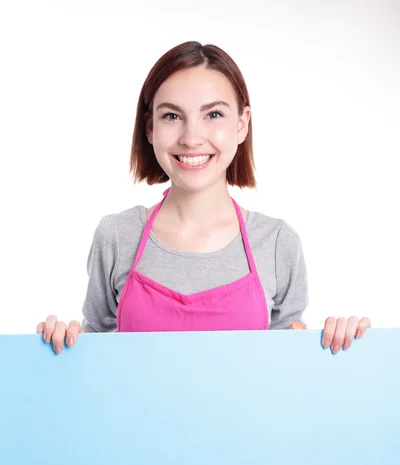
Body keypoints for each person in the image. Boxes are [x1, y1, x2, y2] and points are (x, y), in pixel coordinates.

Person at [36, 41, 371, 355]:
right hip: (135, 420)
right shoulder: (116, 236)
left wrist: (338, 342)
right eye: (172, 116)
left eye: (213, 115)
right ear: (150, 128)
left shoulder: (278, 243)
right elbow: (95, 354)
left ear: (242, 125)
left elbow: (286, 368)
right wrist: (65, 341)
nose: (192, 138)